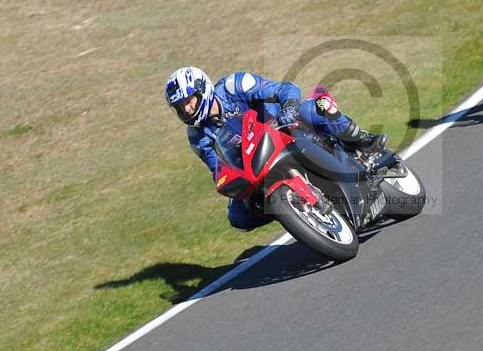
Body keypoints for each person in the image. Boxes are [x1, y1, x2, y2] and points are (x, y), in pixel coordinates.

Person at [164, 67, 387, 231]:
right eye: (180, 108)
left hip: (285, 126)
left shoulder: (234, 85)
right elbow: (218, 168)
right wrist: (229, 183)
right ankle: (294, 213)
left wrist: (288, 107)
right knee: (238, 217)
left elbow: (284, 89)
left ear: (202, 89)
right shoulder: (197, 137)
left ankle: (364, 141)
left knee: (319, 108)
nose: (187, 109)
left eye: (189, 101)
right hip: (256, 163)